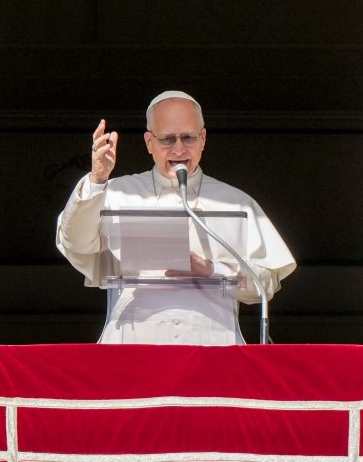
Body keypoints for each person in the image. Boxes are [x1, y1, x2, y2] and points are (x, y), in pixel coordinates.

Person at [56, 90, 296, 344]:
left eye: (188, 137)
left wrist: (214, 270)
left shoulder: (235, 202)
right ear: (149, 142)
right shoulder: (115, 193)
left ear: (203, 138)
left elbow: (265, 285)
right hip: (133, 345)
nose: (179, 148)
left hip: (212, 347)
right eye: (168, 139)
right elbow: (76, 244)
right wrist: (97, 179)